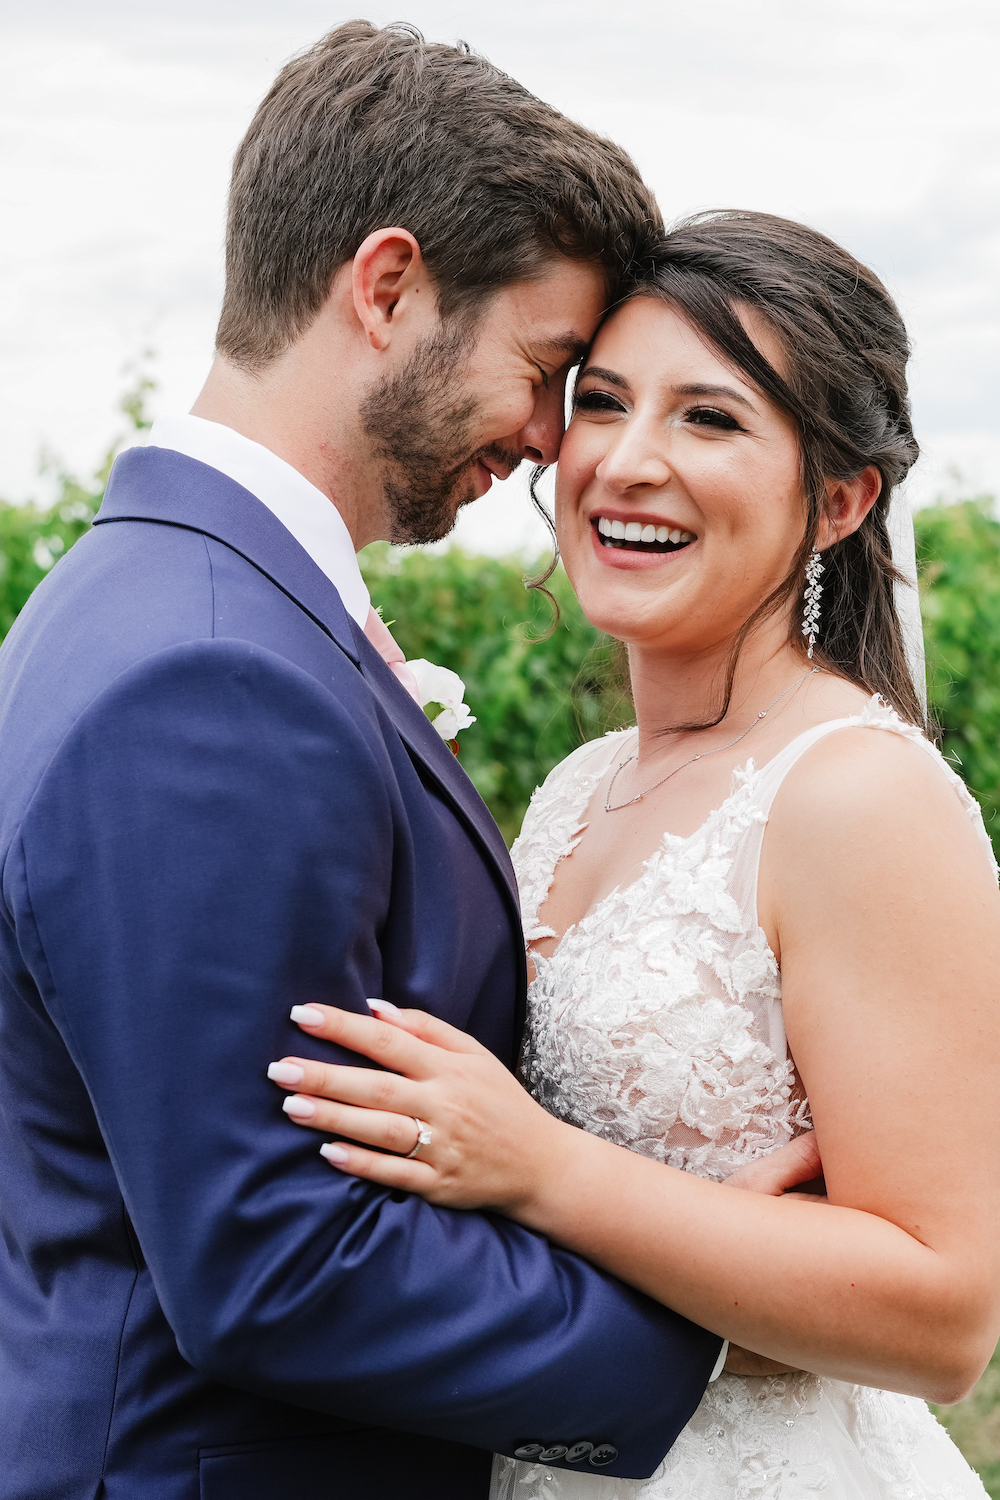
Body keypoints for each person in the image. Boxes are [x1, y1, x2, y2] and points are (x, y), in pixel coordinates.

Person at [0, 25, 823, 1500]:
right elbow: (279, 1266)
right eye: (548, 369)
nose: (543, 439)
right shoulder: (211, 667)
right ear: (387, 287)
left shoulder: (158, 597)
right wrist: (709, 1331)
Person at [268, 211, 1000, 1498]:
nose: (626, 462)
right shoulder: (575, 789)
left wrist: (547, 1170)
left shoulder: (854, 797)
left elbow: (944, 1317)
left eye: (708, 420)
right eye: (600, 404)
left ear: (836, 500)